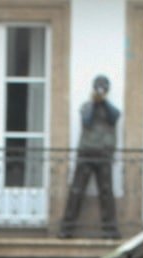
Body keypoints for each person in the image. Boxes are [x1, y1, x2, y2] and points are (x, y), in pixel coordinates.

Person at [57, 75, 120, 239]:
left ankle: (110, 229)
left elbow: (115, 117)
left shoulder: (111, 109)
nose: (100, 90)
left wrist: (104, 101)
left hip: (104, 153)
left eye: (103, 87)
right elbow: (86, 120)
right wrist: (94, 101)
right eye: (98, 87)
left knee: (106, 191)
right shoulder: (87, 106)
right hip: (86, 152)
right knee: (76, 190)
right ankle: (67, 227)